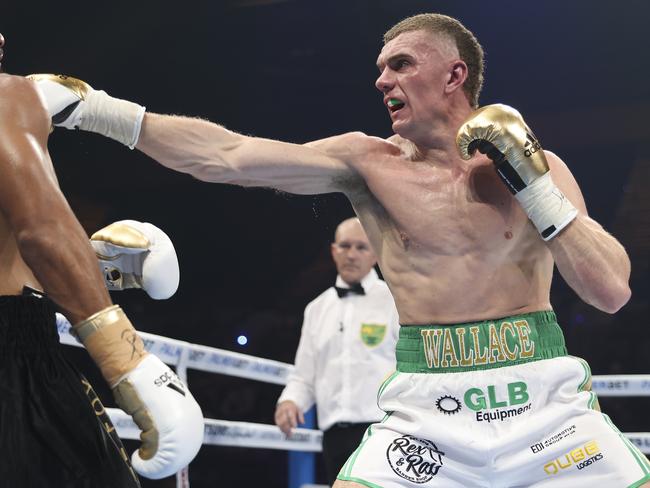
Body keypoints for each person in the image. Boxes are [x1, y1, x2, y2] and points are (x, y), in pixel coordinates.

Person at [31, 11, 650, 487]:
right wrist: (98, 110)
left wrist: (534, 185)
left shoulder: (537, 165)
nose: (383, 78)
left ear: (454, 74)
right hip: (428, 416)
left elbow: (611, 291)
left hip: (544, 403)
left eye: (401, 64)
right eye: (381, 67)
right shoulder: (366, 164)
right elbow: (227, 156)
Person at [0, 34, 203, 487]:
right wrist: (128, 363)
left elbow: (25, 243)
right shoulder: (10, 94)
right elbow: (42, 231)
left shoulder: (37, 94)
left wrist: (88, 264)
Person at [275, 217, 399, 485]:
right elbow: (304, 375)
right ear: (334, 251)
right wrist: (289, 401)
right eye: (345, 246)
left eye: (361, 247)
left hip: (382, 429)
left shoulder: (394, 301)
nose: (351, 254)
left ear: (376, 254)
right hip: (333, 434)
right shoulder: (316, 309)